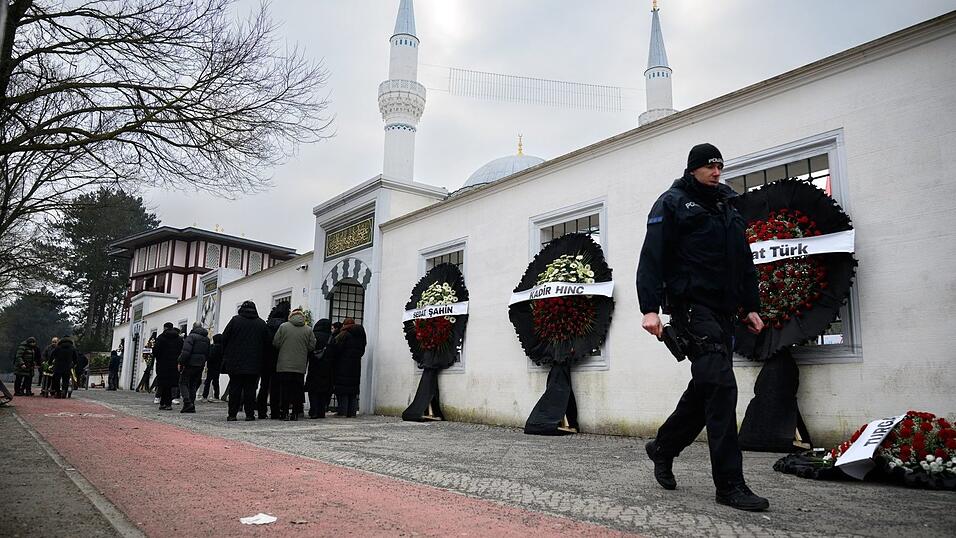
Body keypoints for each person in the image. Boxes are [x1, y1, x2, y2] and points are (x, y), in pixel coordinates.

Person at [637, 143, 768, 512]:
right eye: (710, 166)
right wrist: (649, 309)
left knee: (707, 388)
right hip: (691, 309)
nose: (716, 172)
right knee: (722, 387)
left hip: (724, 311)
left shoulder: (727, 205)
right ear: (693, 168)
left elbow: (743, 260)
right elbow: (651, 256)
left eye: (720, 166)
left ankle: (663, 447)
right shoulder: (672, 203)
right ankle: (730, 484)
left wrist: (751, 306)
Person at [220, 301, 271, 421]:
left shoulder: (235, 321)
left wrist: (227, 355)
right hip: (254, 363)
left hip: (235, 362)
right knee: (250, 390)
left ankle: (232, 415)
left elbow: (224, 338)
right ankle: (249, 414)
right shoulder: (261, 323)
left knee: (235, 389)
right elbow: (267, 343)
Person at [273, 309, 316, 421]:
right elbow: (312, 346)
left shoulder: (283, 327)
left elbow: (276, 342)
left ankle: (284, 412)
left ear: (290, 316)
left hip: (284, 365)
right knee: (297, 389)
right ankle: (295, 413)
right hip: (300, 365)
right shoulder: (308, 329)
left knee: (285, 389)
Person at [258, 302, 290, 419]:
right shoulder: (285, 327)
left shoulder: (266, 326)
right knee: (276, 387)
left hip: (265, 359)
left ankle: (261, 411)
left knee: (264, 386)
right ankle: (275, 411)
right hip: (279, 359)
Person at [331, 318, 365, 418]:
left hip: (343, 365)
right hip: (355, 366)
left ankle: (343, 412)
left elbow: (337, 349)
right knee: (353, 391)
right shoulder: (361, 335)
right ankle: (352, 412)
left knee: (343, 390)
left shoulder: (344, 335)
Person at [178, 322, 210, 413]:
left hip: (190, 364)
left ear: (193, 327)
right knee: (193, 384)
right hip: (200, 365)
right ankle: (191, 404)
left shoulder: (191, 337)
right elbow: (208, 353)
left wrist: (180, 361)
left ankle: (187, 402)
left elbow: (186, 352)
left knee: (183, 382)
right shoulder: (207, 339)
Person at [306, 319, 334, 418]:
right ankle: (321, 411)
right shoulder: (331, 337)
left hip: (314, 365)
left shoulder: (313, 335)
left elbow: (309, 349)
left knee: (313, 390)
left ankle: (313, 410)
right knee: (324, 390)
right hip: (327, 367)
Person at [152, 323, 183, 410]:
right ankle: (168, 404)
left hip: (162, 364)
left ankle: (162, 403)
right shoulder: (179, 339)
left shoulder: (161, 338)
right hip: (174, 364)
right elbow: (182, 351)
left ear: (165, 328)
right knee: (170, 384)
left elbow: (155, 351)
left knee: (162, 383)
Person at [202, 334, 223, 401]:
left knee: (208, 381)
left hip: (211, 366)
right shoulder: (222, 348)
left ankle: (205, 396)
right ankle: (216, 396)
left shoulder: (212, 347)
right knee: (216, 381)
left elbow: (209, 356)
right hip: (218, 366)